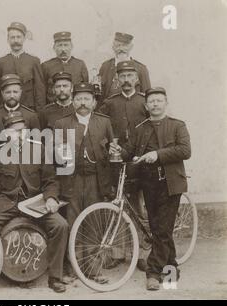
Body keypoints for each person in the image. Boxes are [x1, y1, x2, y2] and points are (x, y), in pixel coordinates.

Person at [110, 87, 191, 290]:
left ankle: (153, 273)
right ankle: (171, 270)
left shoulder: (177, 125)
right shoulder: (141, 128)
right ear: (146, 106)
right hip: (149, 184)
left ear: (166, 103)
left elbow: (185, 150)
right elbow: (130, 151)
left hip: (171, 183)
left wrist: (158, 154)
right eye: (152, 101)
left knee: (162, 229)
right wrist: (120, 150)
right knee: (159, 229)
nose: (155, 104)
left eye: (159, 100)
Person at [0, 111, 69, 293]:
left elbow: (50, 180)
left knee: (60, 225)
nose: (19, 135)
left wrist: (51, 197)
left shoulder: (38, 149)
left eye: (23, 131)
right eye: (14, 132)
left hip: (35, 203)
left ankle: (55, 277)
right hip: (7, 203)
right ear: (5, 134)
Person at [54, 82, 114, 283]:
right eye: (78, 98)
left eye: (86, 99)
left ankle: (92, 268)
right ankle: (71, 266)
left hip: (96, 181)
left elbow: (111, 152)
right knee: (72, 222)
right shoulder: (62, 124)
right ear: (72, 101)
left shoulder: (104, 123)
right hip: (72, 180)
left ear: (94, 102)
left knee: (94, 222)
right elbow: (58, 159)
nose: (82, 103)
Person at [98, 60, 149, 271]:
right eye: (122, 77)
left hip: (141, 161)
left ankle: (143, 253)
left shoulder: (145, 102)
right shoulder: (109, 103)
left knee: (141, 207)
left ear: (137, 79)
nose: (126, 80)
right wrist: (107, 146)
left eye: (130, 76)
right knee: (118, 203)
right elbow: (100, 128)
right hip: (117, 162)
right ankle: (118, 252)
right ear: (116, 80)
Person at [0, 22, 46, 110]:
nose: (16, 40)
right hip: (7, 108)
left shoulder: (33, 61)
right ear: (8, 40)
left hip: (29, 109)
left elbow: (39, 89)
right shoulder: (1, 62)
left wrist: (39, 112)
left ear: (24, 39)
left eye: (19, 37)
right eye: (12, 37)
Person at [98, 32, 151, 104]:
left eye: (125, 45)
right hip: (109, 110)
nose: (121, 49)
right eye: (118, 45)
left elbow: (147, 96)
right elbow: (100, 94)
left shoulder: (141, 68)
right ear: (113, 47)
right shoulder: (105, 66)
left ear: (131, 47)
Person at [41, 32, 88, 104]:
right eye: (60, 45)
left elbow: (85, 89)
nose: (63, 49)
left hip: (74, 108)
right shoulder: (46, 66)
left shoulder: (80, 64)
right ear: (54, 48)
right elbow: (42, 91)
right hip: (53, 108)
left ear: (71, 47)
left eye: (66, 45)